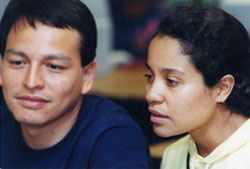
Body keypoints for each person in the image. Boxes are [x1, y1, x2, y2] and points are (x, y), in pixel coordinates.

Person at [0, 0, 151, 168]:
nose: (31, 81)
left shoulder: (116, 140)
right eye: (17, 62)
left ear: (87, 76)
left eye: (54, 66)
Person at [145, 3, 250, 169]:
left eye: (172, 81)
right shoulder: (174, 155)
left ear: (222, 88)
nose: (151, 94)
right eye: (149, 76)